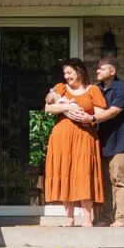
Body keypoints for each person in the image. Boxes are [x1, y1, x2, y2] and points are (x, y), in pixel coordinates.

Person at [42, 58, 107, 227]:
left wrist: (89, 118)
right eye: (65, 73)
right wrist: (66, 107)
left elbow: (100, 114)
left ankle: (87, 219)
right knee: (66, 173)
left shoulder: (93, 90)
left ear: (79, 71)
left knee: (84, 173)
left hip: (84, 136)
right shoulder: (60, 88)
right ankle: (69, 218)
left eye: (69, 72)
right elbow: (48, 107)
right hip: (61, 137)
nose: (66, 76)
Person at [94, 57, 124, 227]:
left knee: (118, 179)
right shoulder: (96, 89)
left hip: (119, 140)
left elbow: (113, 112)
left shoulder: (123, 88)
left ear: (112, 71)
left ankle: (121, 218)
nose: (97, 71)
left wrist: (92, 118)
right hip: (101, 141)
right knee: (103, 182)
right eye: (97, 69)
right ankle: (105, 217)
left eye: (101, 69)